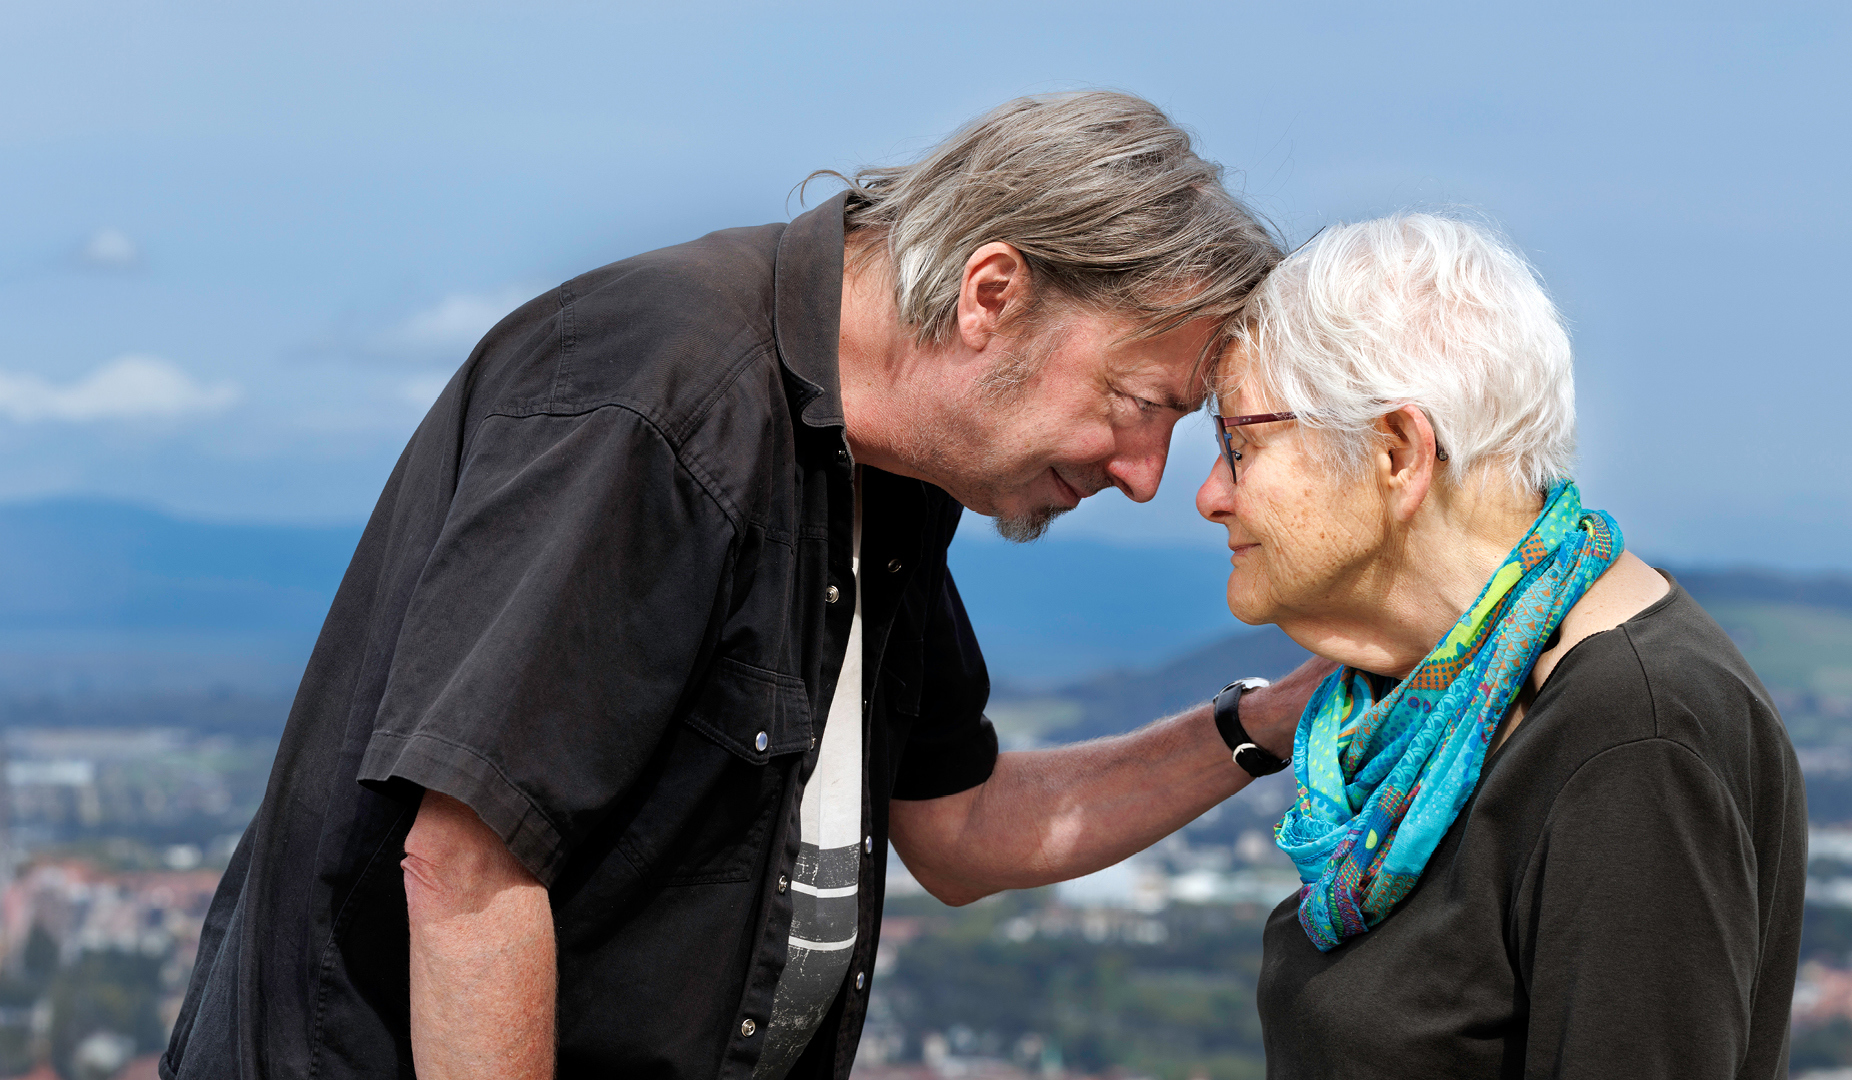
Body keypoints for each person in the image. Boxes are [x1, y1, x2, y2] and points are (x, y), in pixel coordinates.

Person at [162, 91, 1326, 1080]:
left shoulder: (895, 469)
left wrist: (1270, 721)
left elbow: (963, 827)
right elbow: (467, 873)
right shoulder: (659, 396)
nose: (1144, 477)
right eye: (1141, 404)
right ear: (992, 293)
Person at [1197, 214, 1807, 1079]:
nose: (1210, 495)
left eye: (1240, 445)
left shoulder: (1634, 736)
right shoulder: (1430, 700)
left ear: (1396, 452)